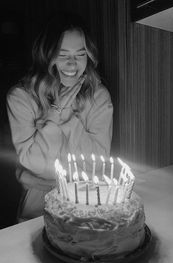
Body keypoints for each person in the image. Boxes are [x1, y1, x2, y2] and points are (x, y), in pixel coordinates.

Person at [6, 12, 113, 221]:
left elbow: (97, 163)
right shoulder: (21, 97)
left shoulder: (99, 96)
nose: (72, 64)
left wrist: (63, 119)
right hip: (38, 204)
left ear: (89, 56)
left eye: (80, 54)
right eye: (62, 54)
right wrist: (54, 115)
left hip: (86, 201)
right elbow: (34, 164)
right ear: (47, 55)